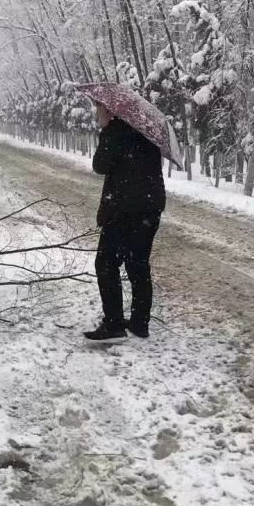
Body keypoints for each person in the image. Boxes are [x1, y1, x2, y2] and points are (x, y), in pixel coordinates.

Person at [84, 102, 166, 341]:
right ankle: (140, 323)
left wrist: (106, 131)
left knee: (106, 264)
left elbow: (99, 166)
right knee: (138, 264)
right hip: (149, 208)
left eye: (98, 110)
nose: (96, 114)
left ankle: (114, 324)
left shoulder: (115, 131)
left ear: (109, 111)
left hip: (123, 210)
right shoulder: (145, 130)